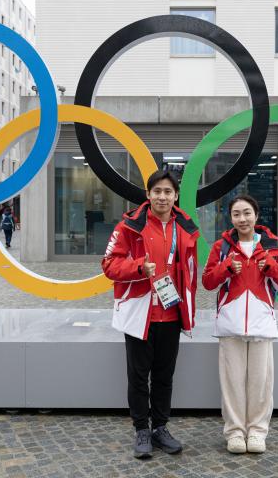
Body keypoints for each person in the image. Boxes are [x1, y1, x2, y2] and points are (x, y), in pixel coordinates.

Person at [102, 170, 200, 459]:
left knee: (164, 376)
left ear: (176, 196)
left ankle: (160, 427)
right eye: (157, 191)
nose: (162, 197)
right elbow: (108, 264)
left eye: (168, 191)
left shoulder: (185, 227)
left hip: (171, 312)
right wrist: (136, 268)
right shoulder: (129, 226)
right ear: (148, 194)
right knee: (138, 376)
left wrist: (189, 307)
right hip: (139, 313)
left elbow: (190, 272)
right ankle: (141, 430)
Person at [202, 195, 278, 455]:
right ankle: (235, 432)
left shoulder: (273, 245)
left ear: (256, 215)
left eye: (247, 213)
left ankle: (257, 431)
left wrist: (271, 266)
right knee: (232, 383)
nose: (243, 219)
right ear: (230, 218)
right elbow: (208, 281)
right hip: (230, 325)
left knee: (260, 382)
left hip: (262, 323)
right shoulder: (222, 246)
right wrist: (227, 267)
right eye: (237, 214)